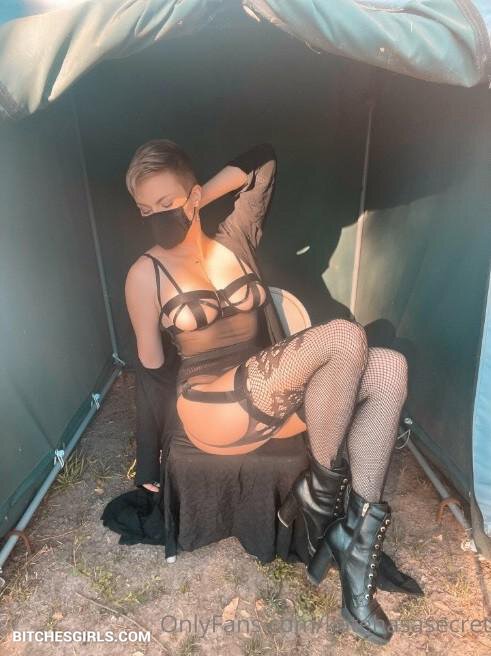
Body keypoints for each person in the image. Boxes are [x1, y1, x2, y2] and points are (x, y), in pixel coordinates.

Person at [123, 139, 420, 645]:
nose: (157, 217)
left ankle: (356, 543)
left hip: (269, 393)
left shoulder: (235, 237)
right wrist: (149, 465)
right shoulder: (144, 273)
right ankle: (323, 500)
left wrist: (199, 197)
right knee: (344, 336)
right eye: (145, 210)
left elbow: (263, 160)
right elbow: (150, 372)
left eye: (166, 202)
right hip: (210, 405)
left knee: (391, 368)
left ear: (192, 196)